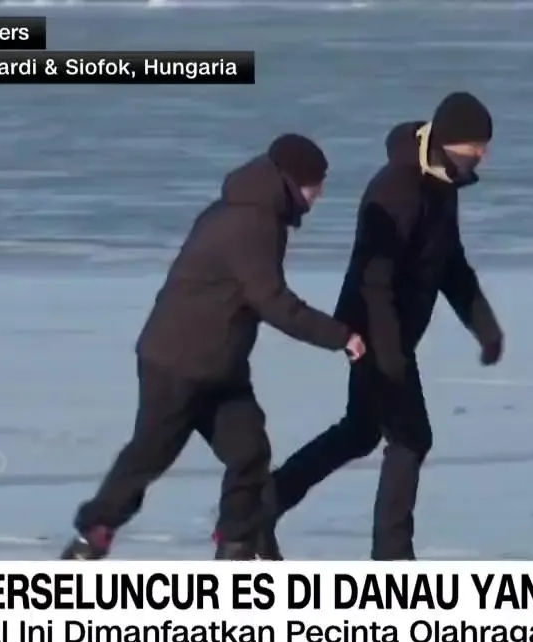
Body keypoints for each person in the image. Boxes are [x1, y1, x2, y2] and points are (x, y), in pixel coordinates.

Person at [61, 134, 366, 562]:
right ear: (293, 182)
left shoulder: (252, 212)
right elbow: (271, 300)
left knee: (248, 451)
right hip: (179, 361)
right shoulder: (251, 223)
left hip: (220, 366)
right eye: (317, 185)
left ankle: (236, 548)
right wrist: (340, 336)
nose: (320, 195)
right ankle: (94, 534)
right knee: (151, 453)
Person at [268, 91, 504, 561]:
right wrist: (390, 356)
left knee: (360, 432)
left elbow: (451, 265)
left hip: (394, 334)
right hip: (371, 330)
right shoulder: (397, 187)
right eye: (477, 147)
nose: (483, 156)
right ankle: (392, 558)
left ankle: (257, 509)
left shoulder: (443, 186)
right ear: (451, 143)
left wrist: (484, 327)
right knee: (410, 436)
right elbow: (374, 279)